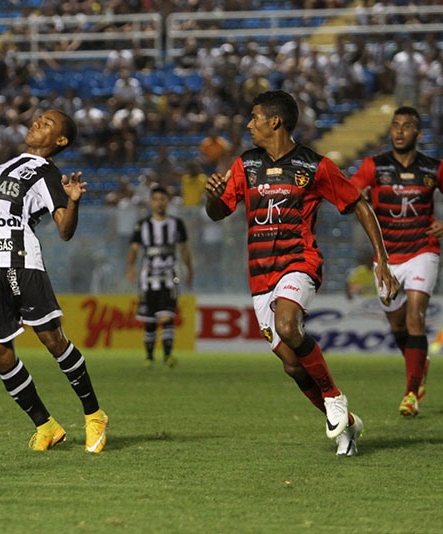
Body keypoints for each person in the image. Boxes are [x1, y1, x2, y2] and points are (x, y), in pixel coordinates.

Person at [204, 90, 399, 457]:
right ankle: (347, 424)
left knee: (289, 327)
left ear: (274, 121)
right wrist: (212, 196)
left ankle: (334, 397)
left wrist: (382, 260)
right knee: (293, 366)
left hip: (300, 262)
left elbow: (358, 202)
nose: (249, 124)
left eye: (255, 117)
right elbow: (218, 212)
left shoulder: (314, 166)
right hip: (260, 275)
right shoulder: (245, 165)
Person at [0, 109, 108, 453]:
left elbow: (64, 230)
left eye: (48, 123)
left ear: (61, 141)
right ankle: (46, 425)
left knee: (52, 339)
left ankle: (94, 415)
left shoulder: (46, 173)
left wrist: (73, 202)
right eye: (39, 117)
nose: (38, 121)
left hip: (21, 261)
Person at [349, 106, 443, 417]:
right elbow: (349, 195)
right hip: (386, 259)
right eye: (395, 125)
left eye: (407, 126)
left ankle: (411, 393)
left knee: (415, 318)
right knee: (398, 324)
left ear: (418, 133)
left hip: (422, 251)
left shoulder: (433, 168)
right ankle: (419, 367)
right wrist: (356, 196)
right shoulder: (373, 167)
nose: (400, 131)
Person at [126, 186, 193, 368]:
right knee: (149, 320)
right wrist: (130, 268)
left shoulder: (176, 224)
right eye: (156, 199)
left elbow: (184, 249)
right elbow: (134, 249)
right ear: (151, 202)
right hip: (147, 279)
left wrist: (189, 270)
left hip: (169, 276)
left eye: (162, 199)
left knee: (167, 317)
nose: (159, 202)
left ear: (167, 202)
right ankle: (149, 357)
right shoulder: (142, 225)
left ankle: (168, 355)